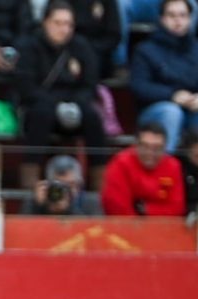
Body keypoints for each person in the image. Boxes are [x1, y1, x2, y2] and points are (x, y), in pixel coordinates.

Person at [14, 0, 105, 185]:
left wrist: (76, 103)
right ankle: (30, 181)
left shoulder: (81, 46)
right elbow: (27, 87)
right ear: (45, 22)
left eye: (68, 24)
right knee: (41, 114)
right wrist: (56, 105)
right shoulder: (28, 46)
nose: (63, 29)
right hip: (40, 105)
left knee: (93, 117)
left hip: (74, 105)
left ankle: (99, 183)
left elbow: (90, 84)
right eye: (58, 23)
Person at [130, 0, 198, 152]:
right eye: (172, 15)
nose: (178, 21)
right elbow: (140, 86)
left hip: (196, 111)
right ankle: (166, 169)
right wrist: (172, 96)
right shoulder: (145, 50)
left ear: (190, 19)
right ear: (161, 19)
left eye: (183, 15)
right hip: (158, 111)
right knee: (171, 112)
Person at [101, 121, 187, 214]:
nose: (150, 153)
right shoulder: (120, 163)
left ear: (164, 149)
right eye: (145, 147)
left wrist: (146, 210)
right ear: (136, 145)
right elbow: (116, 207)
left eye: (157, 148)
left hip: (163, 226)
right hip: (124, 225)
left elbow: (177, 208)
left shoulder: (173, 166)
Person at [20, 153, 102, 213]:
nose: (64, 191)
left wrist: (68, 209)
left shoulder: (91, 203)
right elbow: (22, 230)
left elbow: (91, 232)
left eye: (70, 185)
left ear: (79, 184)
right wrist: (38, 206)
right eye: (59, 185)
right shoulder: (34, 202)